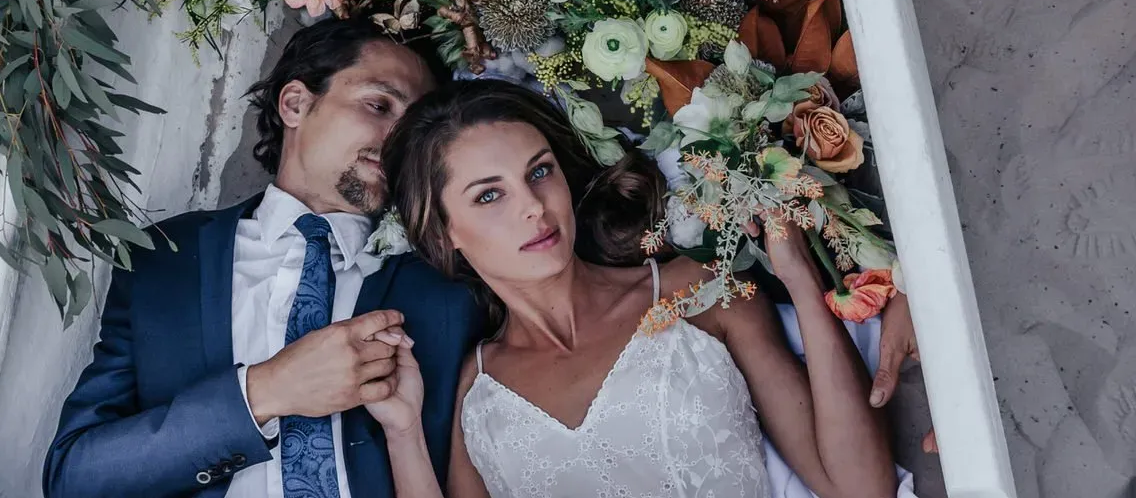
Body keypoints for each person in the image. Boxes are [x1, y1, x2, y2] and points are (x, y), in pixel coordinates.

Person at [370, 79, 904, 498]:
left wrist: (800, 278)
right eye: (489, 196)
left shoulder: (699, 292)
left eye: (539, 172)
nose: (533, 206)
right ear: (444, 233)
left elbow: (860, 487)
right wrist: (402, 433)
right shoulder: (476, 392)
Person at [42, 16, 480, 498]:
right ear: (295, 103)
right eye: (379, 105)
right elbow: (75, 477)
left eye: (414, 125)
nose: (399, 138)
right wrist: (267, 391)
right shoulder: (165, 260)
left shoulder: (452, 280)